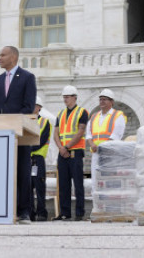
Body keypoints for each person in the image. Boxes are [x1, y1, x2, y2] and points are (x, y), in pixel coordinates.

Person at [0, 45, 37, 224]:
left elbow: (28, 106)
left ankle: (24, 211)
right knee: (3, 173)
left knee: (23, 173)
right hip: (1, 136)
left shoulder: (27, 77)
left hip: (20, 135)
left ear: (13, 57)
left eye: (3, 55)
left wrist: (12, 123)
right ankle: (4, 208)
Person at [52, 85, 88, 221]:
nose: (65, 99)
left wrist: (66, 147)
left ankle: (79, 213)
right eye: (64, 97)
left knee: (78, 184)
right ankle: (65, 213)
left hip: (75, 152)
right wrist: (61, 148)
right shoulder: (60, 114)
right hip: (63, 153)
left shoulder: (82, 112)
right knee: (63, 185)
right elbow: (55, 133)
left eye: (67, 97)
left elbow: (80, 132)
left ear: (75, 97)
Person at [88, 88, 127, 186]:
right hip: (96, 154)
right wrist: (92, 145)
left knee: (109, 180)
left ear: (111, 102)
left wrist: (101, 147)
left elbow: (116, 135)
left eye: (104, 99)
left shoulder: (118, 115)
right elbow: (89, 135)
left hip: (110, 154)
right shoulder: (94, 116)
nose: (102, 101)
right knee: (95, 181)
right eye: (100, 99)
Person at [30, 96, 52, 222]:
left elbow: (42, 140)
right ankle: (30, 213)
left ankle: (42, 213)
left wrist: (30, 148)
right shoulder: (25, 121)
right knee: (28, 187)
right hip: (27, 159)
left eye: (35, 105)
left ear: (39, 108)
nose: (33, 107)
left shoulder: (45, 122)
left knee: (39, 186)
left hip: (38, 159)